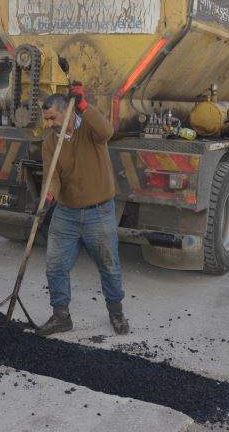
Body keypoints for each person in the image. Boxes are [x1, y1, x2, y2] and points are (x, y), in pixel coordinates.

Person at [36, 82, 129, 337]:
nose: (49, 123)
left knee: (109, 265)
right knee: (55, 265)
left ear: (68, 111)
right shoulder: (50, 142)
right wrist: (49, 195)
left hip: (98, 211)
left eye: (52, 118)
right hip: (66, 212)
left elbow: (107, 131)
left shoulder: (89, 130)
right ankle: (61, 316)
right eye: (46, 119)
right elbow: (52, 175)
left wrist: (86, 106)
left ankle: (116, 312)